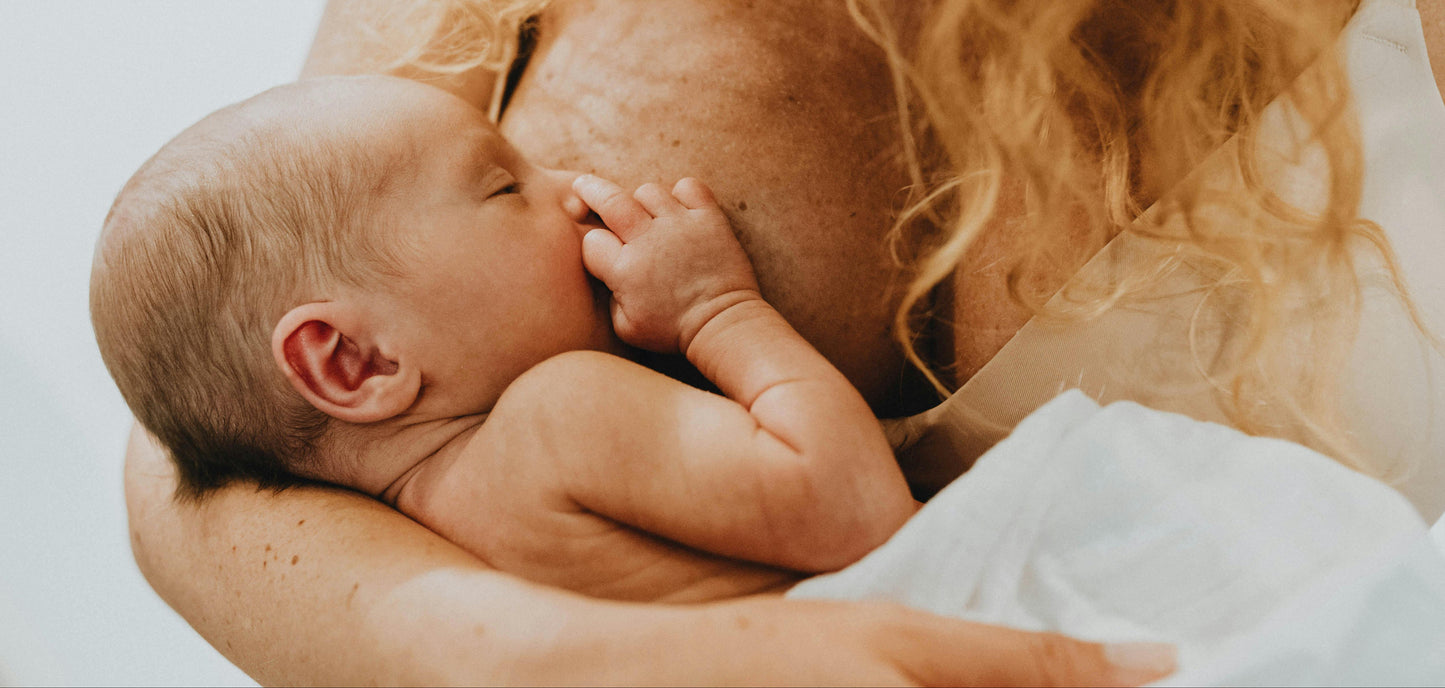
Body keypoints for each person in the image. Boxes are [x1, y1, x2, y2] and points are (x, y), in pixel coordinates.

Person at [122, 0, 1445, 683]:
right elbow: (196, 466)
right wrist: (573, 670)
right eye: (505, 187)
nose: (569, 204)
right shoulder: (541, 409)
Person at [96, 74, 917, 601]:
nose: (568, 186)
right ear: (356, 361)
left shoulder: (418, 545)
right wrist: (717, 310)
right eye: (501, 185)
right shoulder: (559, 413)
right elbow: (857, 511)